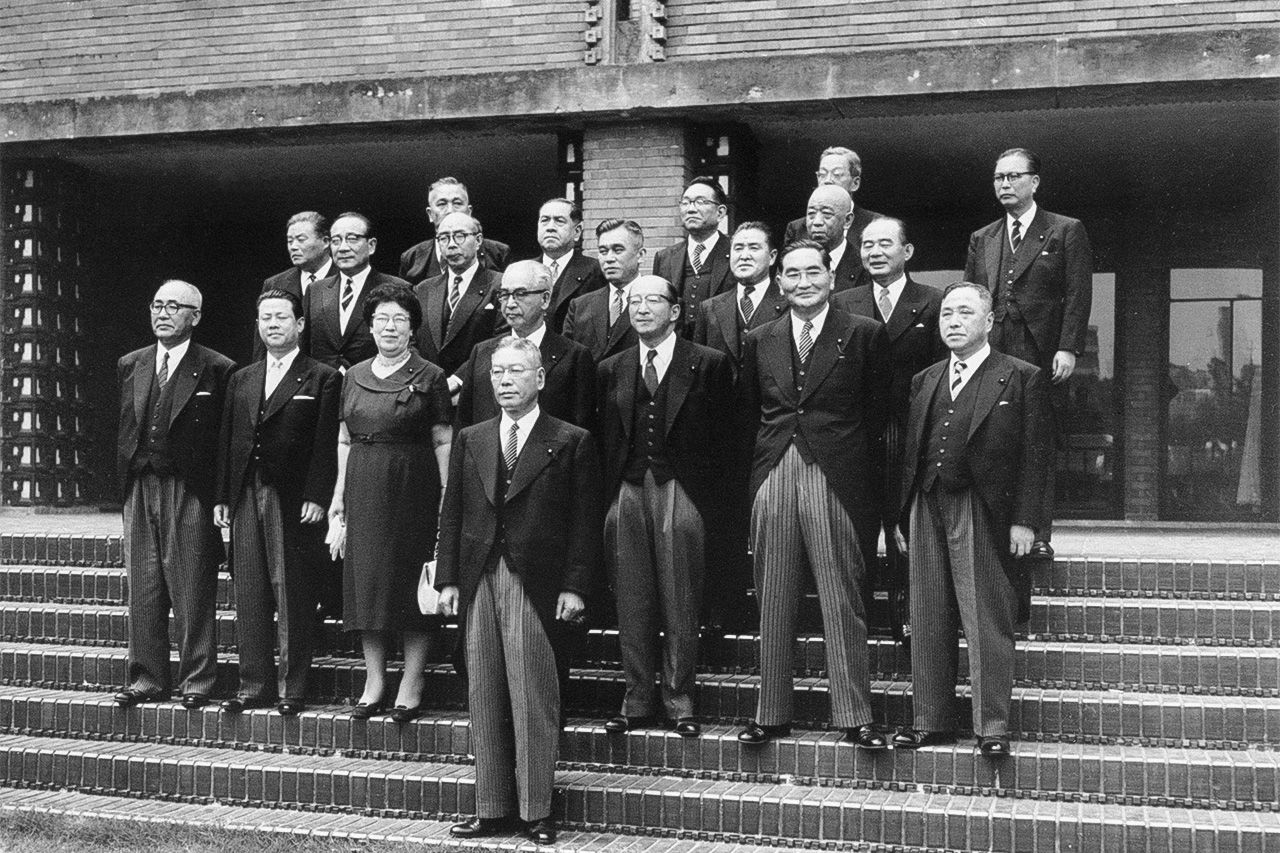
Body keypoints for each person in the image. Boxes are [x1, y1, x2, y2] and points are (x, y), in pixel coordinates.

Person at [438, 336, 603, 846]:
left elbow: (584, 521)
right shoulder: (473, 437)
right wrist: (447, 579)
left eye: (515, 372)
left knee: (532, 693)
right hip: (479, 575)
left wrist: (575, 586)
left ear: (540, 378)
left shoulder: (570, 439)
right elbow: (453, 512)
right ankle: (492, 809)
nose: (505, 382)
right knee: (483, 690)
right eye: (497, 374)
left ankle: (536, 811)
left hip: (535, 580)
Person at [736, 240, 890, 748]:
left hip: (837, 473)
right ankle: (771, 711)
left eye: (813, 272)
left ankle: (854, 714)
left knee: (840, 595)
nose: (803, 282)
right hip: (774, 469)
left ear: (831, 277)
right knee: (774, 594)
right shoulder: (760, 338)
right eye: (793, 274)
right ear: (779, 281)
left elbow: (878, 415)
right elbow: (749, 410)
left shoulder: (863, 334)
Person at [891, 282, 1051, 757]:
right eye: (946, 314)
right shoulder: (925, 379)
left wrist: (1027, 521)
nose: (953, 322)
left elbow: (1036, 456)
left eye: (965, 313)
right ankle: (931, 720)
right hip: (926, 503)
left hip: (981, 506)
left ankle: (992, 725)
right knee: (927, 614)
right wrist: (902, 515)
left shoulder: (1021, 376)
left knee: (985, 615)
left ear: (989, 322)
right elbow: (911, 452)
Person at [597, 275, 735, 738]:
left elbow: (725, 438)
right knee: (631, 595)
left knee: (680, 594)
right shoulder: (611, 367)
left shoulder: (708, 363)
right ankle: (636, 696)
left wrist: (709, 500)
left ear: (675, 311)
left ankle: (679, 697)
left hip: (683, 487)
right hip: (628, 488)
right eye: (634, 301)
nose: (641, 308)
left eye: (653, 299)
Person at [328, 283, 453, 722]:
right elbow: (344, 439)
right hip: (362, 486)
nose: (390, 327)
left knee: (409, 583)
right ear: (370, 324)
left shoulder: (430, 376)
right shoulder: (353, 375)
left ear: (413, 328)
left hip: (412, 486)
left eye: (399, 319)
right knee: (368, 584)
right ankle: (374, 680)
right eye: (382, 318)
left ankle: (412, 681)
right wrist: (339, 497)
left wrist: (444, 497)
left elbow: (442, 440)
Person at [214, 289, 340, 716]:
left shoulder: (322, 376)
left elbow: (327, 443)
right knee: (248, 588)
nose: (272, 325)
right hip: (246, 493)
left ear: (300, 324)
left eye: (281, 317)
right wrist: (223, 497)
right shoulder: (242, 378)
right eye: (265, 317)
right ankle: (254, 684)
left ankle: (292, 687)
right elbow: (228, 441)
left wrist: (318, 496)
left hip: (292, 497)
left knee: (291, 591)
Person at [963, 147, 1092, 558]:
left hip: (1039, 352)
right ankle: (991, 528)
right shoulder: (982, 238)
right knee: (990, 434)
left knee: (1035, 439)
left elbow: (1077, 293)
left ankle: (1037, 534)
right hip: (992, 348)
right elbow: (972, 296)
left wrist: (1068, 347)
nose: (1005, 184)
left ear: (1034, 182)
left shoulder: (1065, 230)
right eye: (999, 178)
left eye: (1013, 177)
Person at [114, 280, 236, 709]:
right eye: (157, 305)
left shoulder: (218, 368)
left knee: (191, 586)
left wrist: (221, 497)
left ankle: (198, 680)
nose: (162, 313)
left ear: (195, 316)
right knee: (143, 586)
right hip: (140, 485)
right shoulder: (132, 363)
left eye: (174, 307)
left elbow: (225, 440)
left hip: (189, 489)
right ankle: (146, 676)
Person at [833, 217, 946, 639]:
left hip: (908, 429)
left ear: (907, 252)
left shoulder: (933, 302)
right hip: (858, 431)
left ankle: (908, 613)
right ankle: (857, 616)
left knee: (906, 525)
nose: (874, 252)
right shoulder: (843, 302)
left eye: (885, 244)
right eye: (867, 245)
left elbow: (938, 374)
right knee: (859, 523)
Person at [690, 221, 787, 639]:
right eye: (738, 249)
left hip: (771, 426)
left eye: (753, 248)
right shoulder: (712, 307)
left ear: (772, 257)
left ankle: (774, 609)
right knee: (725, 522)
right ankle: (723, 607)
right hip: (722, 433)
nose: (743, 255)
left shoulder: (790, 304)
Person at [455, 260, 595, 431]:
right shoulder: (482, 352)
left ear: (545, 299)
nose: (510, 303)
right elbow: (464, 423)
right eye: (504, 294)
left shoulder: (574, 356)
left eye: (520, 294)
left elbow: (581, 429)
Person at [303, 212, 412, 372]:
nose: (343, 248)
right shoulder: (315, 290)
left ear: (372, 245)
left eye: (352, 239)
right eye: (336, 241)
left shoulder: (398, 288)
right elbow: (304, 345)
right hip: (323, 388)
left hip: (375, 386)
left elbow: (411, 347)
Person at [412, 210, 504, 382]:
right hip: (428, 387)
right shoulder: (424, 289)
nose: (452, 244)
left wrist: (458, 379)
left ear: (478, 241)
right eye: (444, 238)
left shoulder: (499, 285)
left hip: (474, 386)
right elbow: (411, 339)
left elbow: (500, 340)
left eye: (460, 236)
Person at [783, 145, 882, 270]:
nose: (827, 181)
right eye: (822, 175)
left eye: (837, 174)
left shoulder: (876, 223)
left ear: (855, 183)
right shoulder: (797, 228)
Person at [652, 176, 734, 324]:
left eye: (700, 202)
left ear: (720, 212)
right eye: (685, 203)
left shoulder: (736, 252)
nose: (690, 209)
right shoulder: (664, 257)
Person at [398, 176, 510, 284]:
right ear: (430, 214)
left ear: (469, 212)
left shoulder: (498, 253)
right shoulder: (412, 258)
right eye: (442, 204)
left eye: (457, 203)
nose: (450, 210)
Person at [253, 211, 332, 361]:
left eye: (301, 240)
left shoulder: (346, 281)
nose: (293, 247)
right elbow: (261, 344)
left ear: (326, 241)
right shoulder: (275, 284)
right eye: (290, 241)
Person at [562, 219, 641, 362]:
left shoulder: (660, 303)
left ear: (640, 255)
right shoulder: (580, 306)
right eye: (603, 251)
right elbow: (567, 361)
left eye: (618, 250)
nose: (609, 258)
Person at [531, 197, 606, 335]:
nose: (550, 228)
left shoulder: (595, 271)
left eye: (559, 221)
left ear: (577, 231)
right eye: (544, 220)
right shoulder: (525, 270)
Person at [802, 185, 867, 293]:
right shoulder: (793, 260)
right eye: (811, 214)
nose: (817, 222)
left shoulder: (864, 264)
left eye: (827, 214)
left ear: (847, 221)